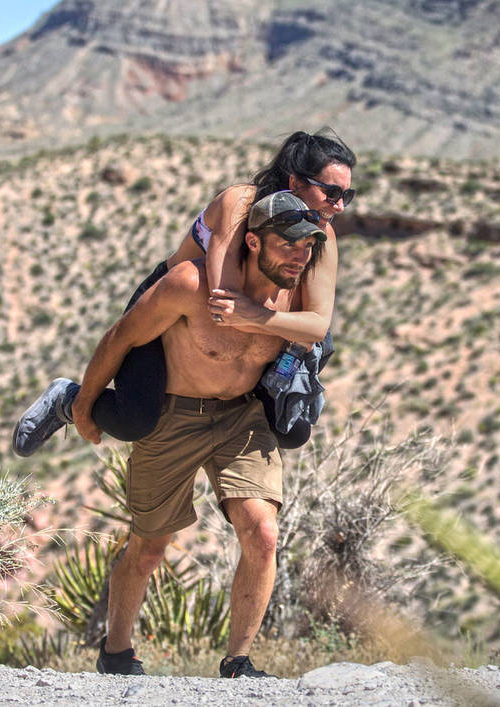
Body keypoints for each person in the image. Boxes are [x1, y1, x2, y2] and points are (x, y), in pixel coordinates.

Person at [82, 191, 324, 678]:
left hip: (242, 417)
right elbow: (121, 337)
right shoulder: (189, 286)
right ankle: (116, 652)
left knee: (263, 533)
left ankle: (238, 663)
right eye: (289, 244)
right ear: (252, 242)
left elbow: (319, 333)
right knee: (150, 546)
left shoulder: (295, 302)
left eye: (309, 246)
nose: (300, 256)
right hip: (173, 416)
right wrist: (85, 405)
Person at [12, 130, 355, 455]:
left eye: (346, 196)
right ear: (295, 183)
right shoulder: (240, 204)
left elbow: (317, 326)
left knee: (292, 431)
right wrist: (287, 324)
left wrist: (267, 321)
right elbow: (226, 303)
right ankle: (65, 399)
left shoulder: (324, 236)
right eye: (332, 193)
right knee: (135, 421)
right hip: (171, 297)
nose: (339, 206)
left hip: (247, 314)